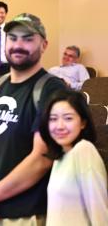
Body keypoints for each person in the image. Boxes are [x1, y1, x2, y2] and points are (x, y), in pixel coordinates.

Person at [0, 13, 66, 225]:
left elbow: (42, 157)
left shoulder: (52, 89)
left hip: (23, 216)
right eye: (13, 38)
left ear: (44, 44)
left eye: (28, 38)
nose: (18, 45)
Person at [39, 89, 108, 225]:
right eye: (53, 119)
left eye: (68, 118)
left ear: (83, 122)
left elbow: (100, 213)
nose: (60, 126)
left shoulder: (84, 150)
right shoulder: (60, 156)